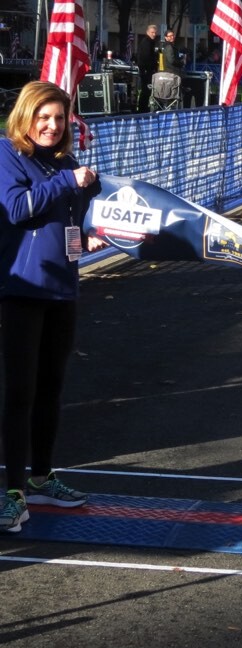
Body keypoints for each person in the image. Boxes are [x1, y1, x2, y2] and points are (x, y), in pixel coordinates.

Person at [0, 81, 105, 533]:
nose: (51, 125)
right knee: (18, 393)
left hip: (63, 291)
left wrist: (90, 236)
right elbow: (16, 208)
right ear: (26, 115)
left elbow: (70, 221)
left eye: (59, 118)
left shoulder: (66, 162)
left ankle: (42, 478)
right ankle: (12, 492)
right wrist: (67, 182)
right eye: (43, 116)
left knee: (50, 389)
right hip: (20, 291)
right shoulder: (7, 154)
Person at [136, 24, 159, 113]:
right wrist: (152, 65)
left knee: (146, 90)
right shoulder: (146, 42)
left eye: (155, 33)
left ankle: (143, 108)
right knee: (145, 90)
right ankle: (142, 109)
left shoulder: (150, 42)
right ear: (147, 32)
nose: (154, 34)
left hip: (147, 69)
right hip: (146, 70)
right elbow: (146, 57)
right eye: (152, 32)